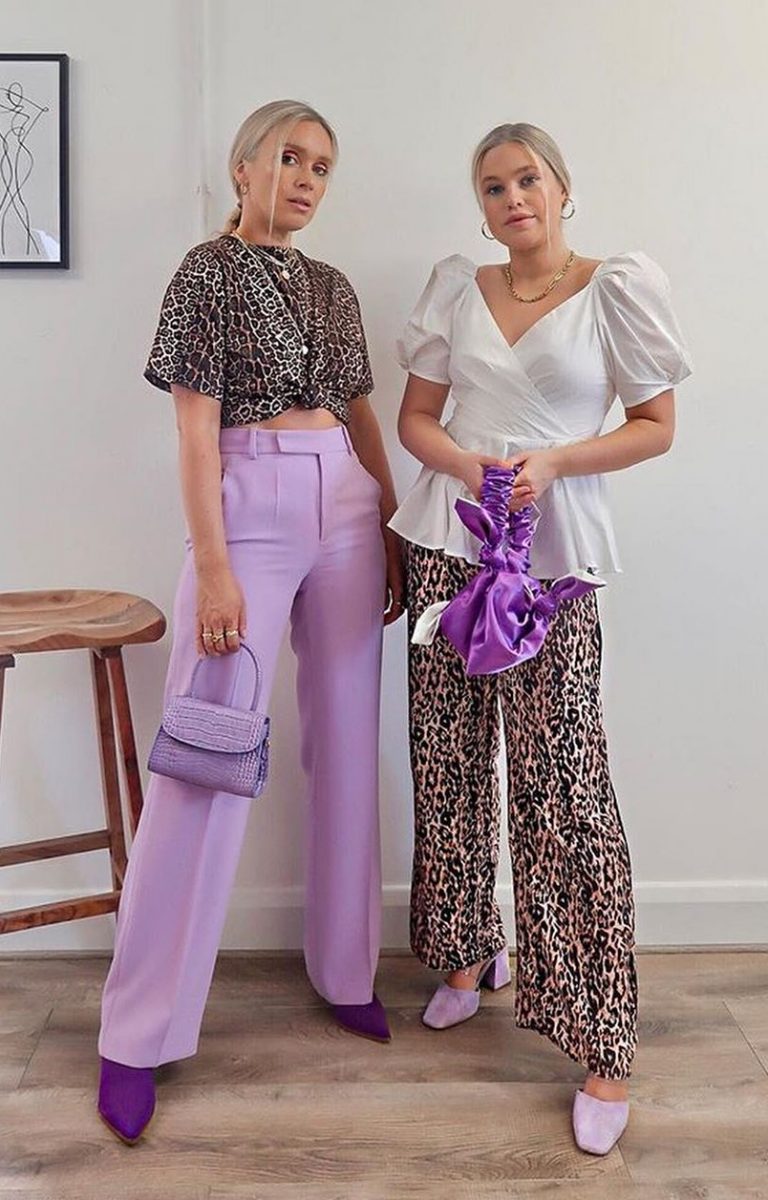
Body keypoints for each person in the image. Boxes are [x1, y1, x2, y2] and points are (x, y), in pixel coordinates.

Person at [97, 99, 404, 1145]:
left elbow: (360, 412)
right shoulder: (206, 274)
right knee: (207, 749)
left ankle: (347, 970)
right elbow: (193, 438)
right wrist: (216, 569)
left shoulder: (333, 285)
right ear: (243, 167)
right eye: (290, 158)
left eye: (323, 166)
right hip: (249, 500)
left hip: (347, 506)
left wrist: (388, 518)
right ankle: (136, 1031)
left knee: (348, 740)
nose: (307, 180)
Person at [389, 121, 692, 1156]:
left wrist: (553, 464)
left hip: (553, 562)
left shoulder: (615, 289)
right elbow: (417, 421)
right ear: (480, 208)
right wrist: (473, 470)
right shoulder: (456, 287)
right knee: (447, 757)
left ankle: (602, 1041)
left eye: (528, 180)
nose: (513, 198)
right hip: (449, 543)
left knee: (564, 781)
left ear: (562, 189)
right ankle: (466, 952)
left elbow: (656, 425)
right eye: (493, 186)